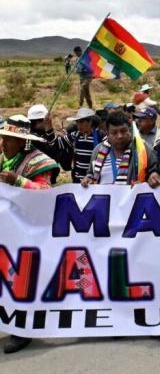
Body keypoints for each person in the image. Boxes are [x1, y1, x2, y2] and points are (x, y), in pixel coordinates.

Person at [0, 115, 60, 354]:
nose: (3, 144)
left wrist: (19, 181)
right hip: (7, 229)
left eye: (9, 139)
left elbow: (46, 192)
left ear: (22, 141)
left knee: (23, 280)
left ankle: (22, 329)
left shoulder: (39, 162)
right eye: (3, 139)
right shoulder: (5, 159)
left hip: (29, 230)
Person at [82, 111, 158, 186]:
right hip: (102, 198)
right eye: (114, 133)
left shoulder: (142, 149)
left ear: (129, 130)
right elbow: (91, 173)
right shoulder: (98, 150)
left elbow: (154, 170)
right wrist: (88, 178)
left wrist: (152, 176)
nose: (120, 136)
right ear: (107, 134)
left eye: (123, 131)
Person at [47, 107, 104, 183]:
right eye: (77, 122)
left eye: (82, 122)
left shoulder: (101, 137)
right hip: (78, 180)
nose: (78, 125)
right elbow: (55, 144)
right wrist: (49, 128)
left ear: (90, 122)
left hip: (95, 179)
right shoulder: (75, 136)